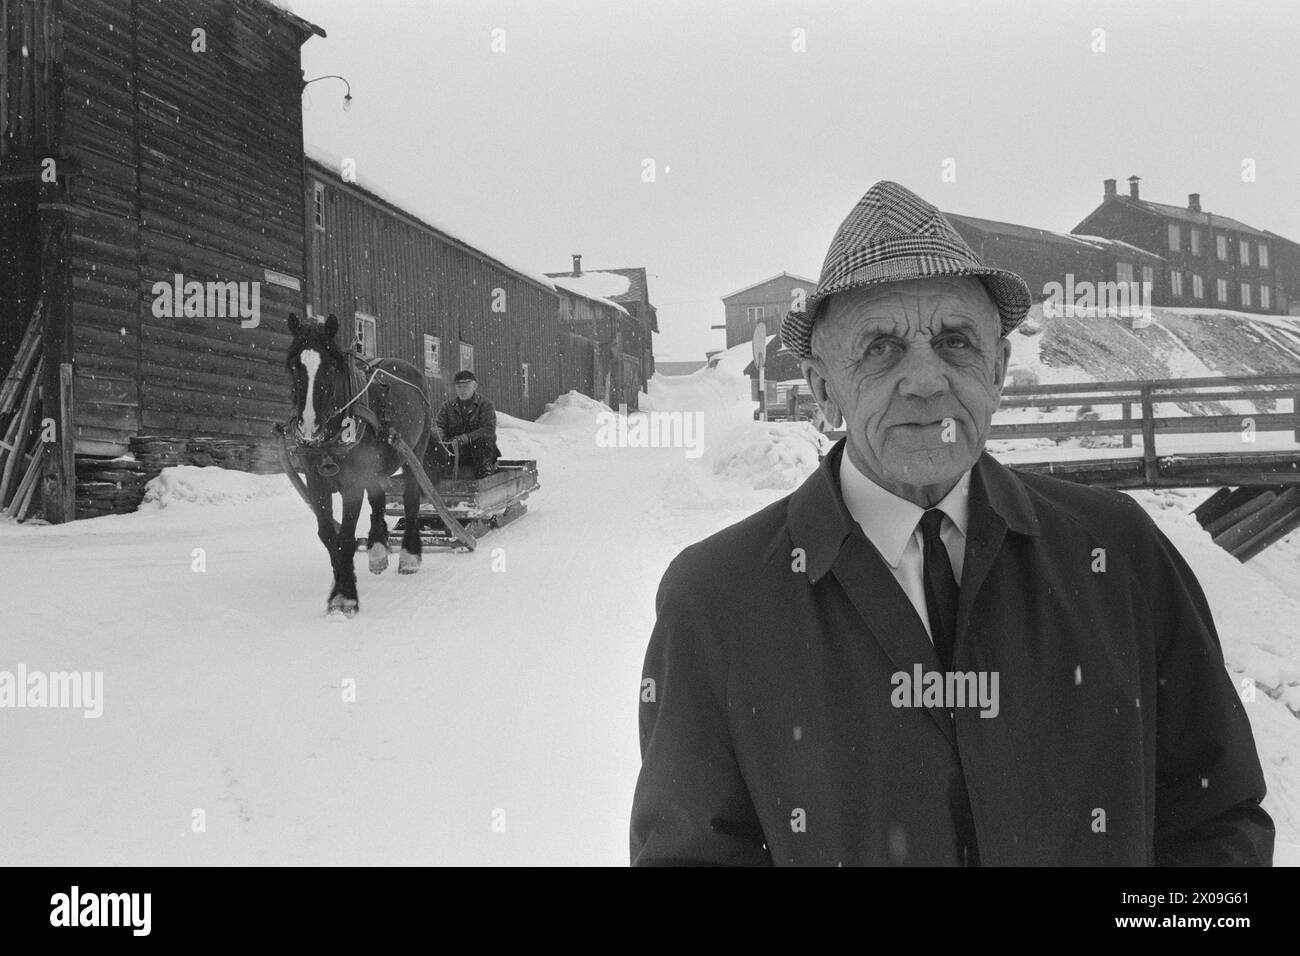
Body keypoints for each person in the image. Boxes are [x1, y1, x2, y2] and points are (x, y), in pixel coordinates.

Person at [630, 181, 1273, 866]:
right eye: (880, 347)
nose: (926, 380)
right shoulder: (719, 600)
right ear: (824, 391)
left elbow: (1216, 818)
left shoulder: (1116, 551)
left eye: (955, 341)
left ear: (997, 370)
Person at [434, 370, 499, 479]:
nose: (462, 390)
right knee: (433, 446)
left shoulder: (485, 405)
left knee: (484, 442)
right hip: (455, 452)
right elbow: (437, 425)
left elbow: (489, 429)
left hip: (480, 454)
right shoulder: (447, 406)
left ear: (475, 386)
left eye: (466, 386)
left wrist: (467, 438)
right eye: (459, 387)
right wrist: (438, 433)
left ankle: (484, 479)